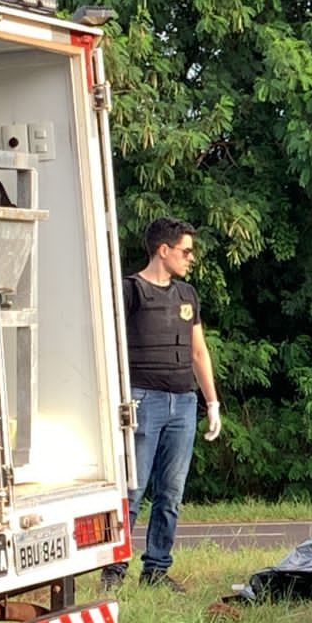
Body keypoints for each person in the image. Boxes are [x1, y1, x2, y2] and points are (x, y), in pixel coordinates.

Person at [100, 217, 221, 593]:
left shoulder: (187, 294)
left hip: (183, 403)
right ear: (163, 250)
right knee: (133, 490)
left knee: (171, 493)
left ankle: (156, 568)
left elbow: (198, 351)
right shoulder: (130, 291)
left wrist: (212, 402)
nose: (190, 258)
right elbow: (109, 344)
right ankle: (114, 568)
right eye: (185, 251)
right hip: (143, 400)